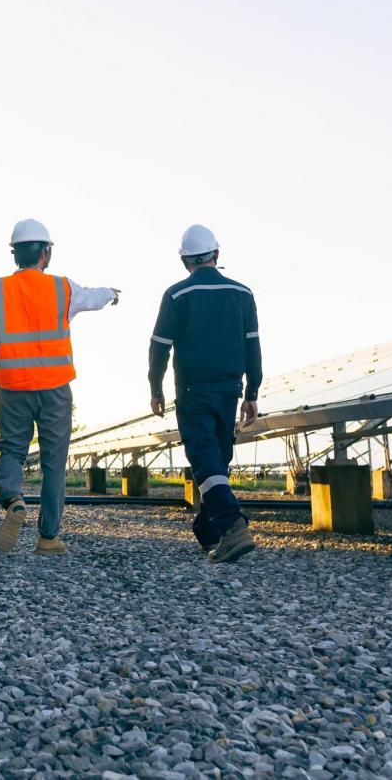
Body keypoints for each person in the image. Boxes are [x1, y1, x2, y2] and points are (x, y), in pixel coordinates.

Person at [0, 218, 120, 555]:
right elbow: (92, 297)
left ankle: (13, 500)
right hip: (54, 388)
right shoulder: (62, 288)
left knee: (11, 449)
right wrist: (111, 294)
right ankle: (48, 537)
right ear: (45, 252)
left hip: (11, 387)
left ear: (15, 255)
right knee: (54, 463)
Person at [147, 224, 261, 563]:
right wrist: (252, 391)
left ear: (185, 261)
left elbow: (159, 348)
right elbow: (253, 346)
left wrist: (155, 388)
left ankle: (232, 526)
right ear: (217, 254)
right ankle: (208, 530)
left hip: (194, 391)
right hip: (230, 390)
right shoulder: (243, 294)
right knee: (217, 459)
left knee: (204, 458)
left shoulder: (177, 295)